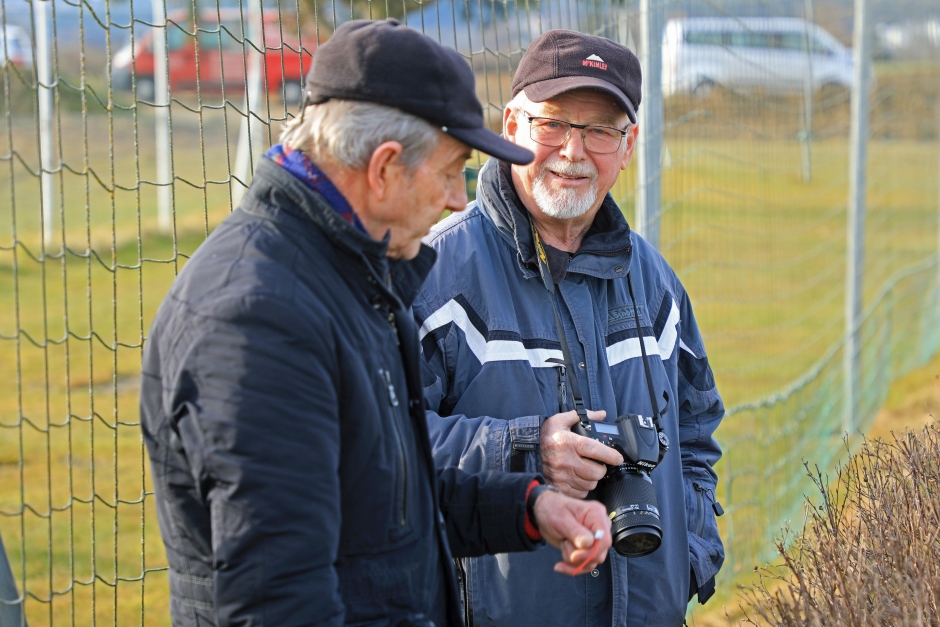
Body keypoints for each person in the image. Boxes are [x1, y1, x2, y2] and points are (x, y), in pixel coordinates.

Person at [139, 20, 613, 627]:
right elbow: (278, 599)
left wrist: (527, 506)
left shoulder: (344, 277)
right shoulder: (260, 322)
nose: (457, 198)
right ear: (385, 168)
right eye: (450, 171)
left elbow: (384, 497)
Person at [415, 30, 725, 626]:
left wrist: (689, 560)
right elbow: (384, 450)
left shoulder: (655, 284)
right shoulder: (434, 277)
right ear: (512, 126)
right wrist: (525, 450)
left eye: (601, 130)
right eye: (552, 124)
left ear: (628, 146)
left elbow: (697, 434)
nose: (573, 151)